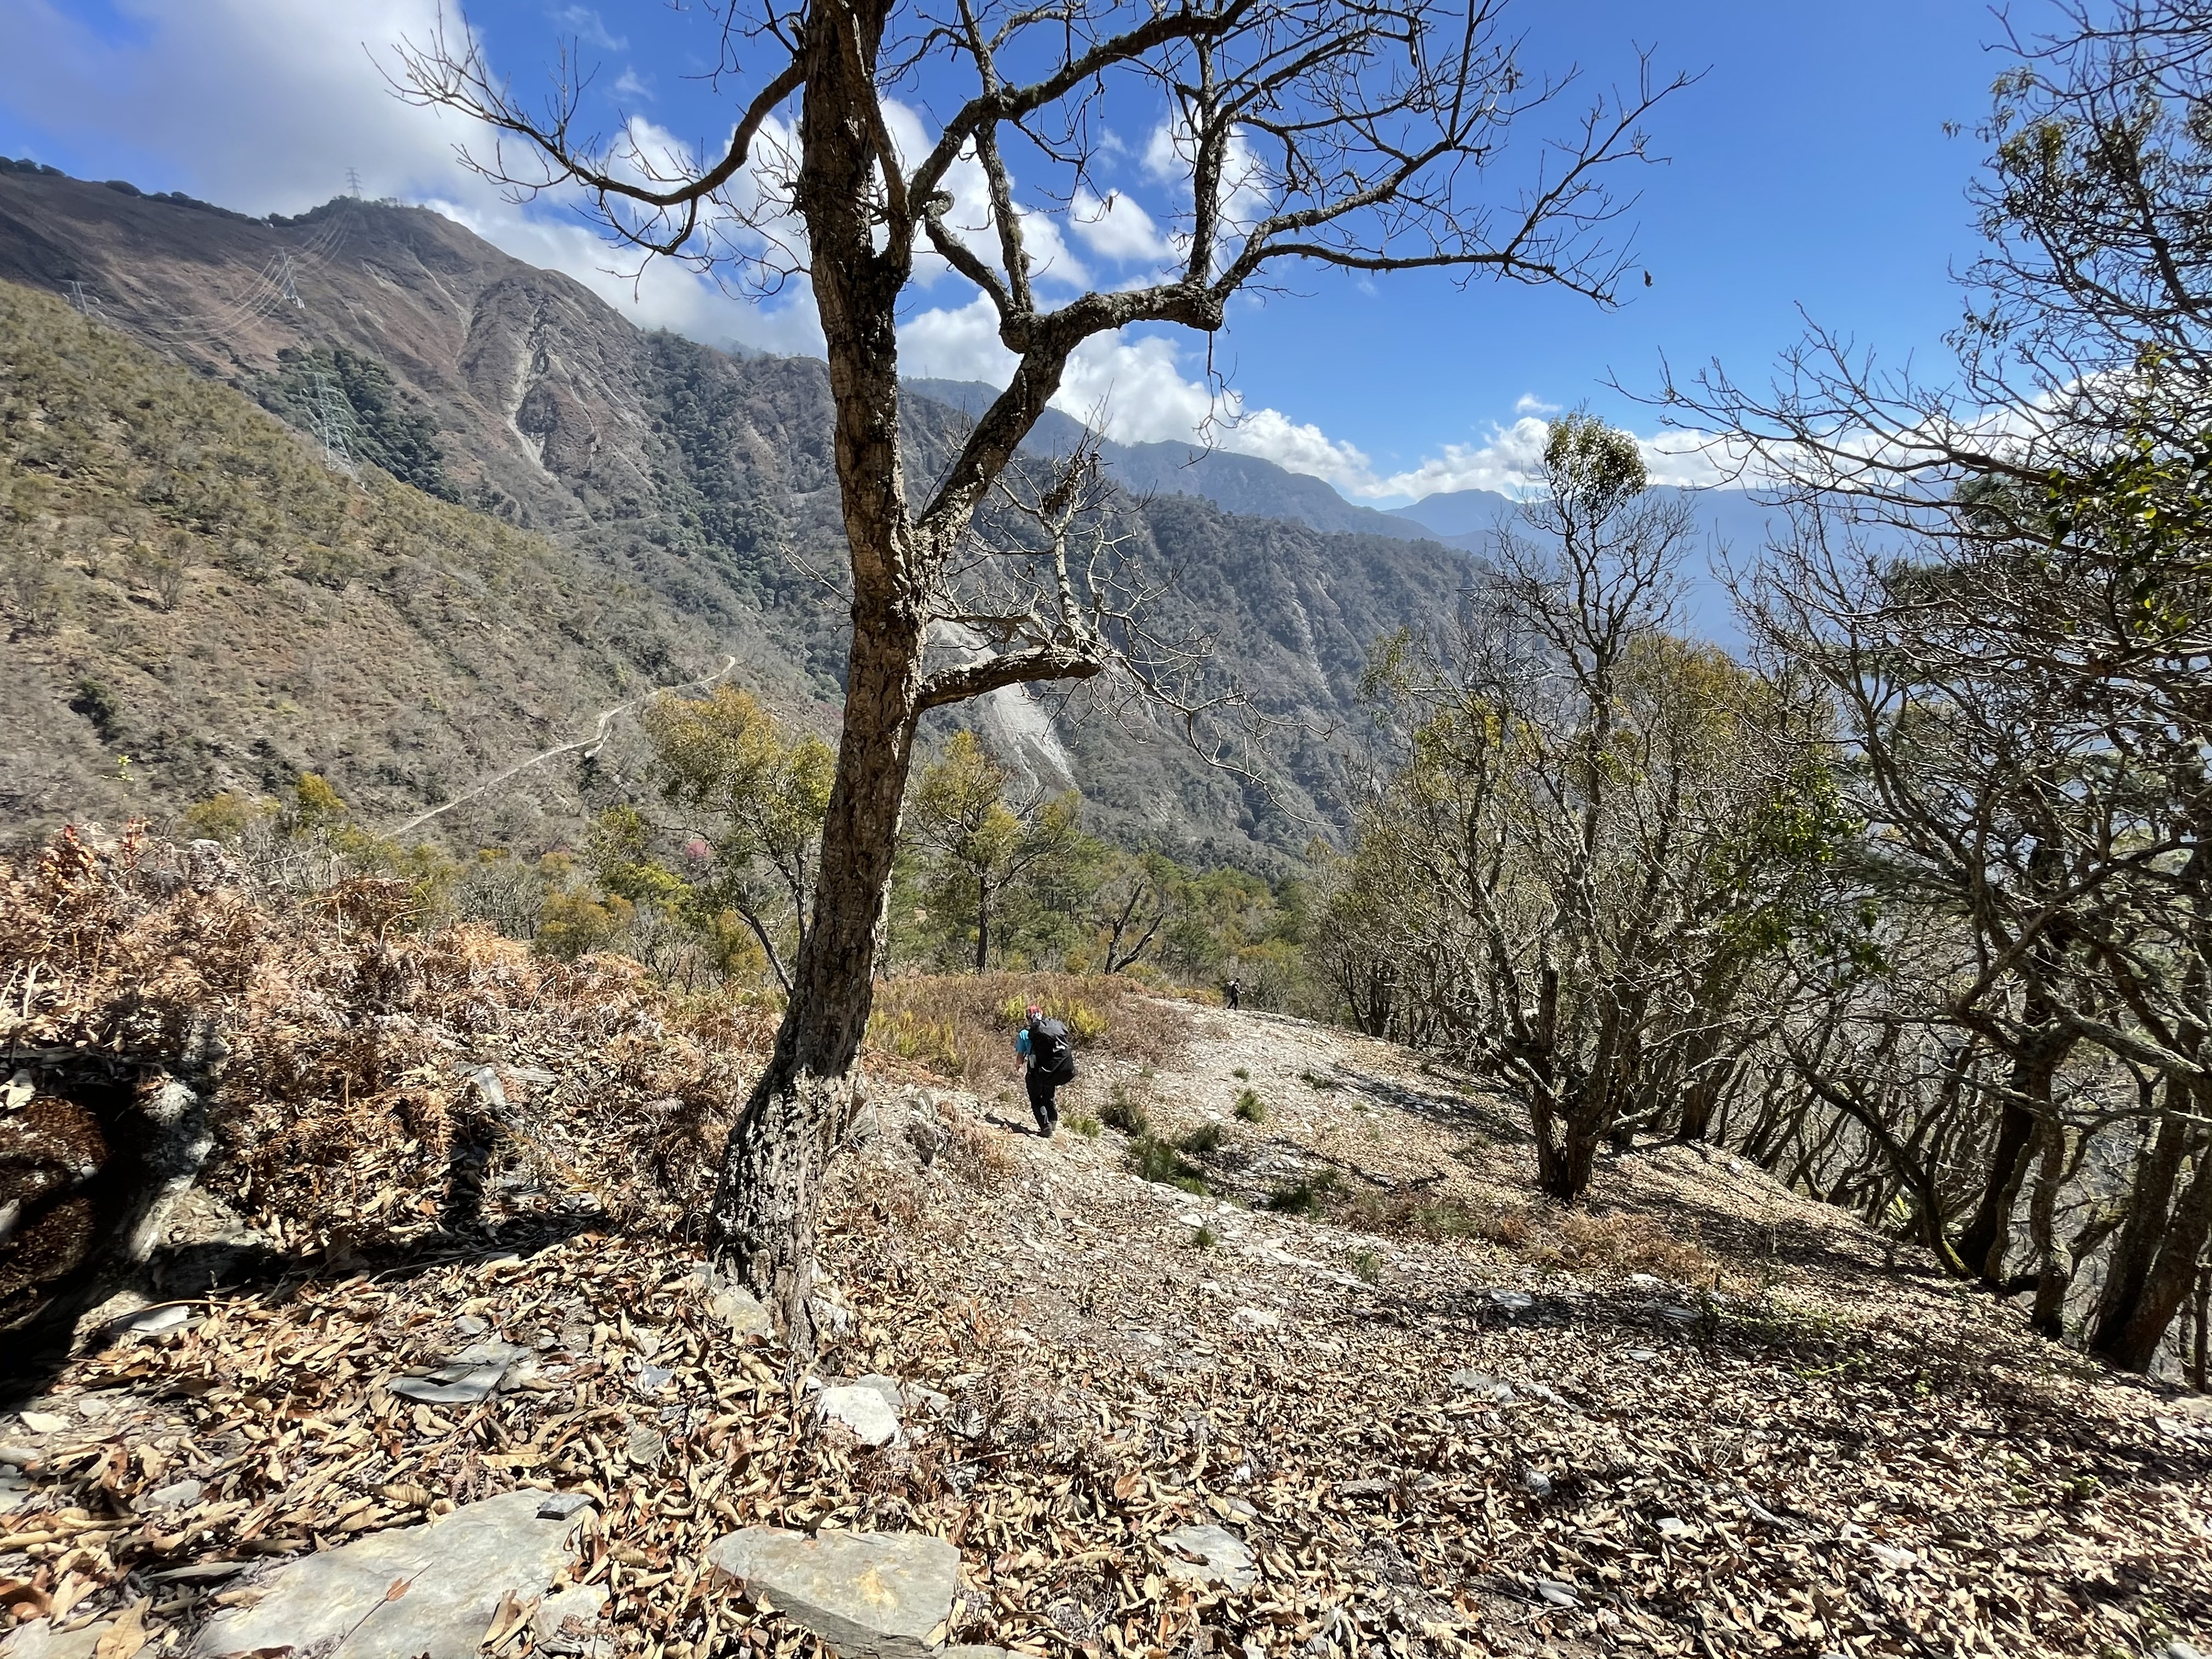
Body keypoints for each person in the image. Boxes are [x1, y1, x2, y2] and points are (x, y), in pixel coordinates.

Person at [1014, 1003, 1076, 1136]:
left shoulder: (1025, 1034)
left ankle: (1045, 1127)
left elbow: (1021, 1056)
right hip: (1051, 1069)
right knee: (1049, 1097)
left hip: (1035, 1070)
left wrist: (1018, 1066)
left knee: (1036, 1098)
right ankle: (1053, 1122)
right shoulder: (1052, 1031)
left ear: (1028, 1018)